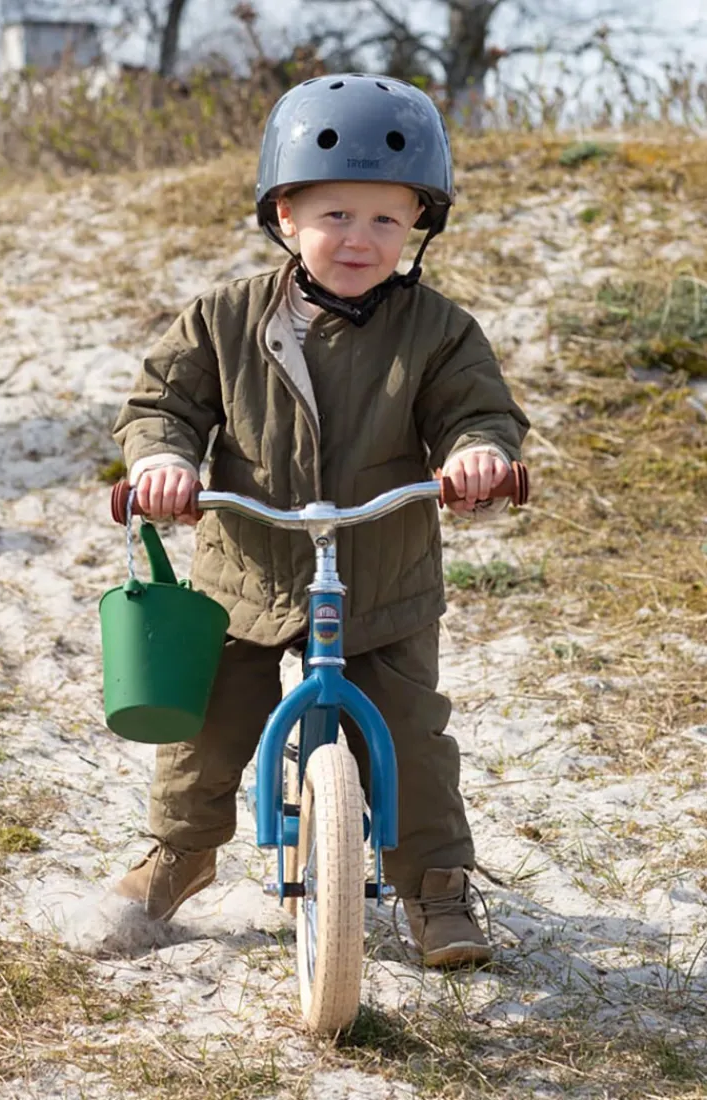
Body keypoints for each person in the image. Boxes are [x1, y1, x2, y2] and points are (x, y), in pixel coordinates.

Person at [110, 73, 530, 967]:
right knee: (209, 724)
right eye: (336, 215)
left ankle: (438, 889)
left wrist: (476, 454)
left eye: (387, 218)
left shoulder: (439, 330)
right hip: (250, 568)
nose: (360, 239)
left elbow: (476, 410)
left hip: (381, 574)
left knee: (412, 735)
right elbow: (164, 402)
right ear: (284, 216)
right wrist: (163, 460)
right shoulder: (224, 319)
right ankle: (179, 854)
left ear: (420, 223)